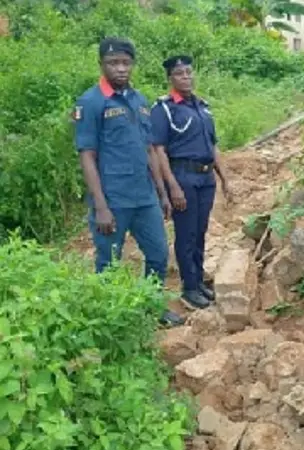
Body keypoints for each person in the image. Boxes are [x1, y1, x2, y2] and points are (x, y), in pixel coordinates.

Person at [73, 37, 183, 327]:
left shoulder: (139, 100)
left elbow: (149, 151)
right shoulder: (91, 102)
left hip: (144, 197)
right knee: (108, 262)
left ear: (132, 64)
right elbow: (87, 156)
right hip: (113, 199)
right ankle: (107, 319)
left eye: (125, 62)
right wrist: (100, 206)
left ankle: (151, 306)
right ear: (102, 65)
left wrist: (161, 193)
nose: (120, 68)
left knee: (159, 254)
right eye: (113, 63)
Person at [150, 55, 232, 310]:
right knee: (186, 234)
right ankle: (188, 288)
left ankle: (198, 282)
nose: (186, 77)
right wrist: (172, 186)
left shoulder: (202, 107)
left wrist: (225, 179)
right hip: (183, 176)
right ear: (170, 78)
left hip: (206, 177)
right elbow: (159, 150)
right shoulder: (164, 109)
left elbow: (213, 145)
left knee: (201, 231)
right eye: (179, 73)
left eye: (188, 72)